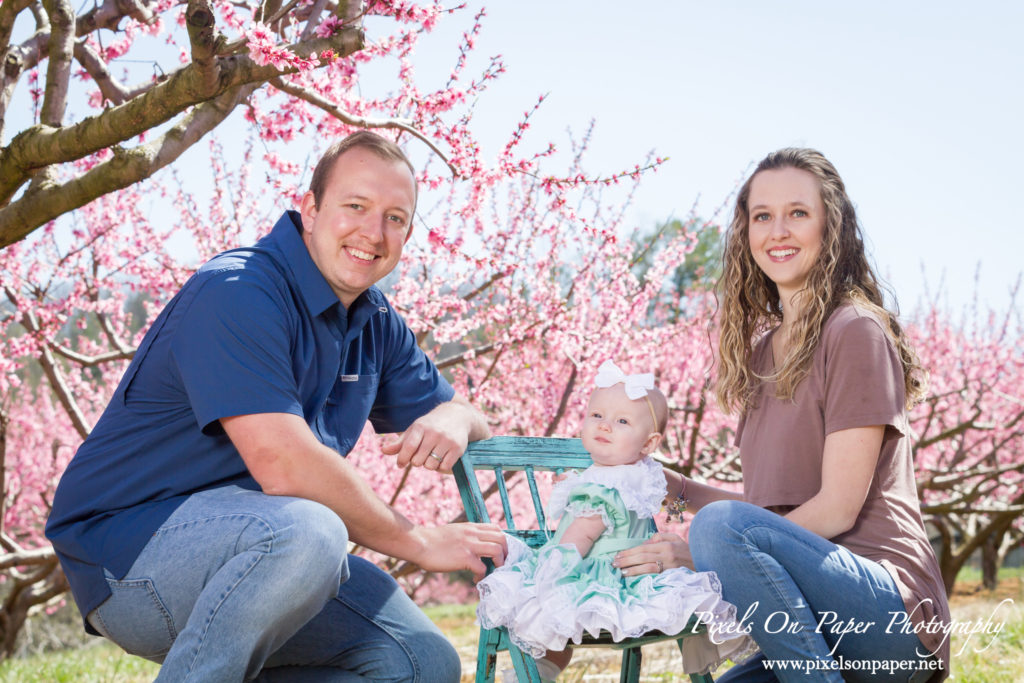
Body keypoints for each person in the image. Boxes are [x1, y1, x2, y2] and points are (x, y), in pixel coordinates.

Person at [45, 131, 508, 682]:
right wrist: (416, 542)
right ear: (310, 209)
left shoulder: (374, 322)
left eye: (396, 218)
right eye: (355, 206)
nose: (373, 232)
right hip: (130, 558)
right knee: (312, 530)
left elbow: (468, 416)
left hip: (266, 555)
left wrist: (454, 416)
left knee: (420, 662)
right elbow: (284, 463)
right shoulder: (238, 291)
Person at [614, 148, 951, 682]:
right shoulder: (761, 353)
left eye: (798, 212)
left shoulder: (854, 330)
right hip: (811, 626)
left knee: (720, 529)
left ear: (831, 226)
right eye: (762, 216)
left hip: (889, 616)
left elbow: (836, 509)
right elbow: (767, 511)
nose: (778, 230)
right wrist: (670, 485)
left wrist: (705, 551)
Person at [475, 360, 753, 681]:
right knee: (557, 630)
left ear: (648, 443)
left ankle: (535, 671)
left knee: (545, 610)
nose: (605, 426)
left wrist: (549, 574)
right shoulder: (641, 475)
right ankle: (536, 671)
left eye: (621, 421)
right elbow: (668, 508)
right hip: (637, 577)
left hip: (598, 576)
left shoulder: (601, 488)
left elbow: (578, 537)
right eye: (597, 416)